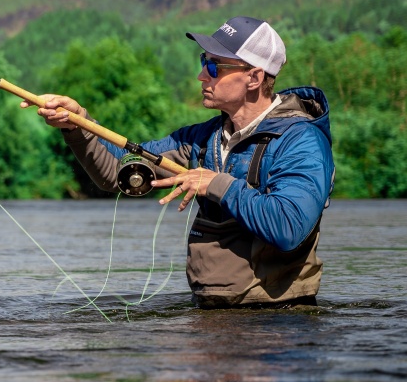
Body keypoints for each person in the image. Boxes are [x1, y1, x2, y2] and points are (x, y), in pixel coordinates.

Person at [25, 16, 334, 307]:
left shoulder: (301, 141)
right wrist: (77, 123)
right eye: (204, 61)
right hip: (214, 319)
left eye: (214, 66)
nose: (202, 74)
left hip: (279, 323)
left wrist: (216, 184)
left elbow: (289, 226)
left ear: (254, 77)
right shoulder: (199, 139)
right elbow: (117, 170)